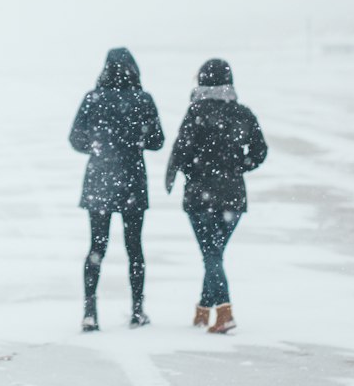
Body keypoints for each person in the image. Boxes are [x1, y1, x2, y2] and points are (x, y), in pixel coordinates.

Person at [165, 58, 268, 334]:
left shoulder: (196, 111)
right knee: (214, 253)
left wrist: (192, 171)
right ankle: (202, 311)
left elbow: (181, 152)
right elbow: (260, 152)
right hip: (233, 196)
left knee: (211, 254)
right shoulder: (242, 113)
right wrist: (237, 166)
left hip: (200, 196)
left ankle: (224, 311)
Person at [69, 48, 164, 332]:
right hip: (133, 179)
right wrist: (133, 141)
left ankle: (90, 311)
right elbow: (157, 140)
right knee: (134, 247)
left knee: (97, 247)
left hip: (99, 179)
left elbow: (75, 138)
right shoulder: (143, 99)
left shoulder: (93, 98)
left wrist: (98, 147)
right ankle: (137, 309)